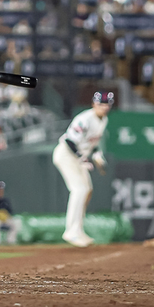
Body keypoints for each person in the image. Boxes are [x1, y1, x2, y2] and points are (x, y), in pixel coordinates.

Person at [52, 91, 113, 247]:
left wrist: (97, 157)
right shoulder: (84, 119)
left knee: (87, 190)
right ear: (93, 104)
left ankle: (78, 230)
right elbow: (70, 142)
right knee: (79, 189)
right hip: (66, 155)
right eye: (101, 104)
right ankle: (71, 232)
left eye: (107, 104)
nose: (104, 107)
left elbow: (93, 144)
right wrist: (82, 158)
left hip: (78, 157)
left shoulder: (103, 120)